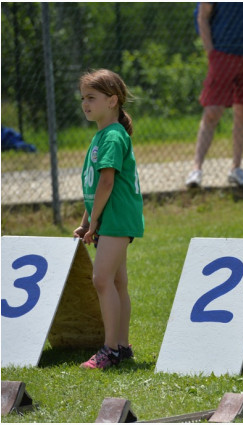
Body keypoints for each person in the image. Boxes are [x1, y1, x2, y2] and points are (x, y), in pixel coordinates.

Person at [74, 69, 145, 370]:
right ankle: (122, 347)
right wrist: (85, 219)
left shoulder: (113, 136)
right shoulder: (104, 134)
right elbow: (94, 189)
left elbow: (106, 184)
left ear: (112, 100)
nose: (85, 104)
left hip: (115, 218)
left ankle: (111, 349)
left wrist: (94, 224)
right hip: (110, 218)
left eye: (92, 97)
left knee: (102, 280)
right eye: (83, 98)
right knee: (117, 281)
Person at [185, 3, 243, 189]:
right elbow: (202, 16)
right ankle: (197, 169)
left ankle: (236, 168)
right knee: (212, 111)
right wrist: (211, 51)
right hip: (222, 52)